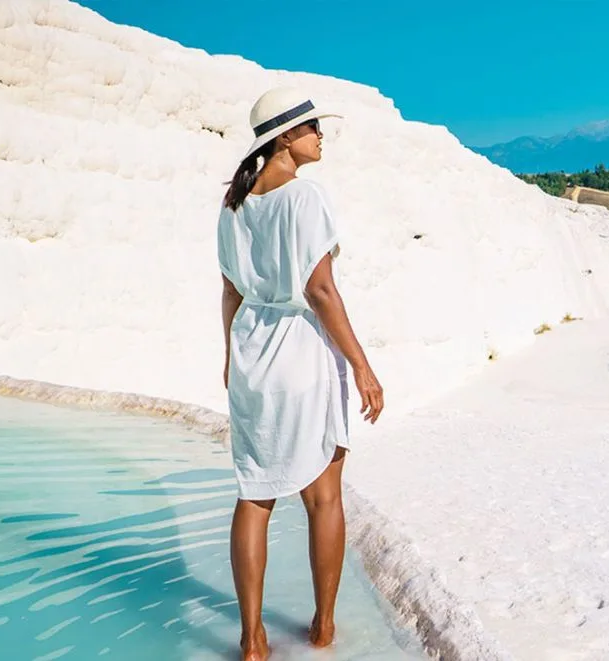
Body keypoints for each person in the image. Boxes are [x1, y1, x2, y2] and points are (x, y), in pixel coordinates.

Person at [217, 87, 384, 659]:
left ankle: (252, 639)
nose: (321, 135)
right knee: (324, 497)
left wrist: (228, 358)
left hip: (252, 353)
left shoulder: (234, 205)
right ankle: (324, 630)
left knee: (254, 494)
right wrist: (363, 367)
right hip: (301, 351)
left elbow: (230, 290)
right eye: (311, 127)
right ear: (284, 138)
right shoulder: (305, 197)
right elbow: (319, 290)